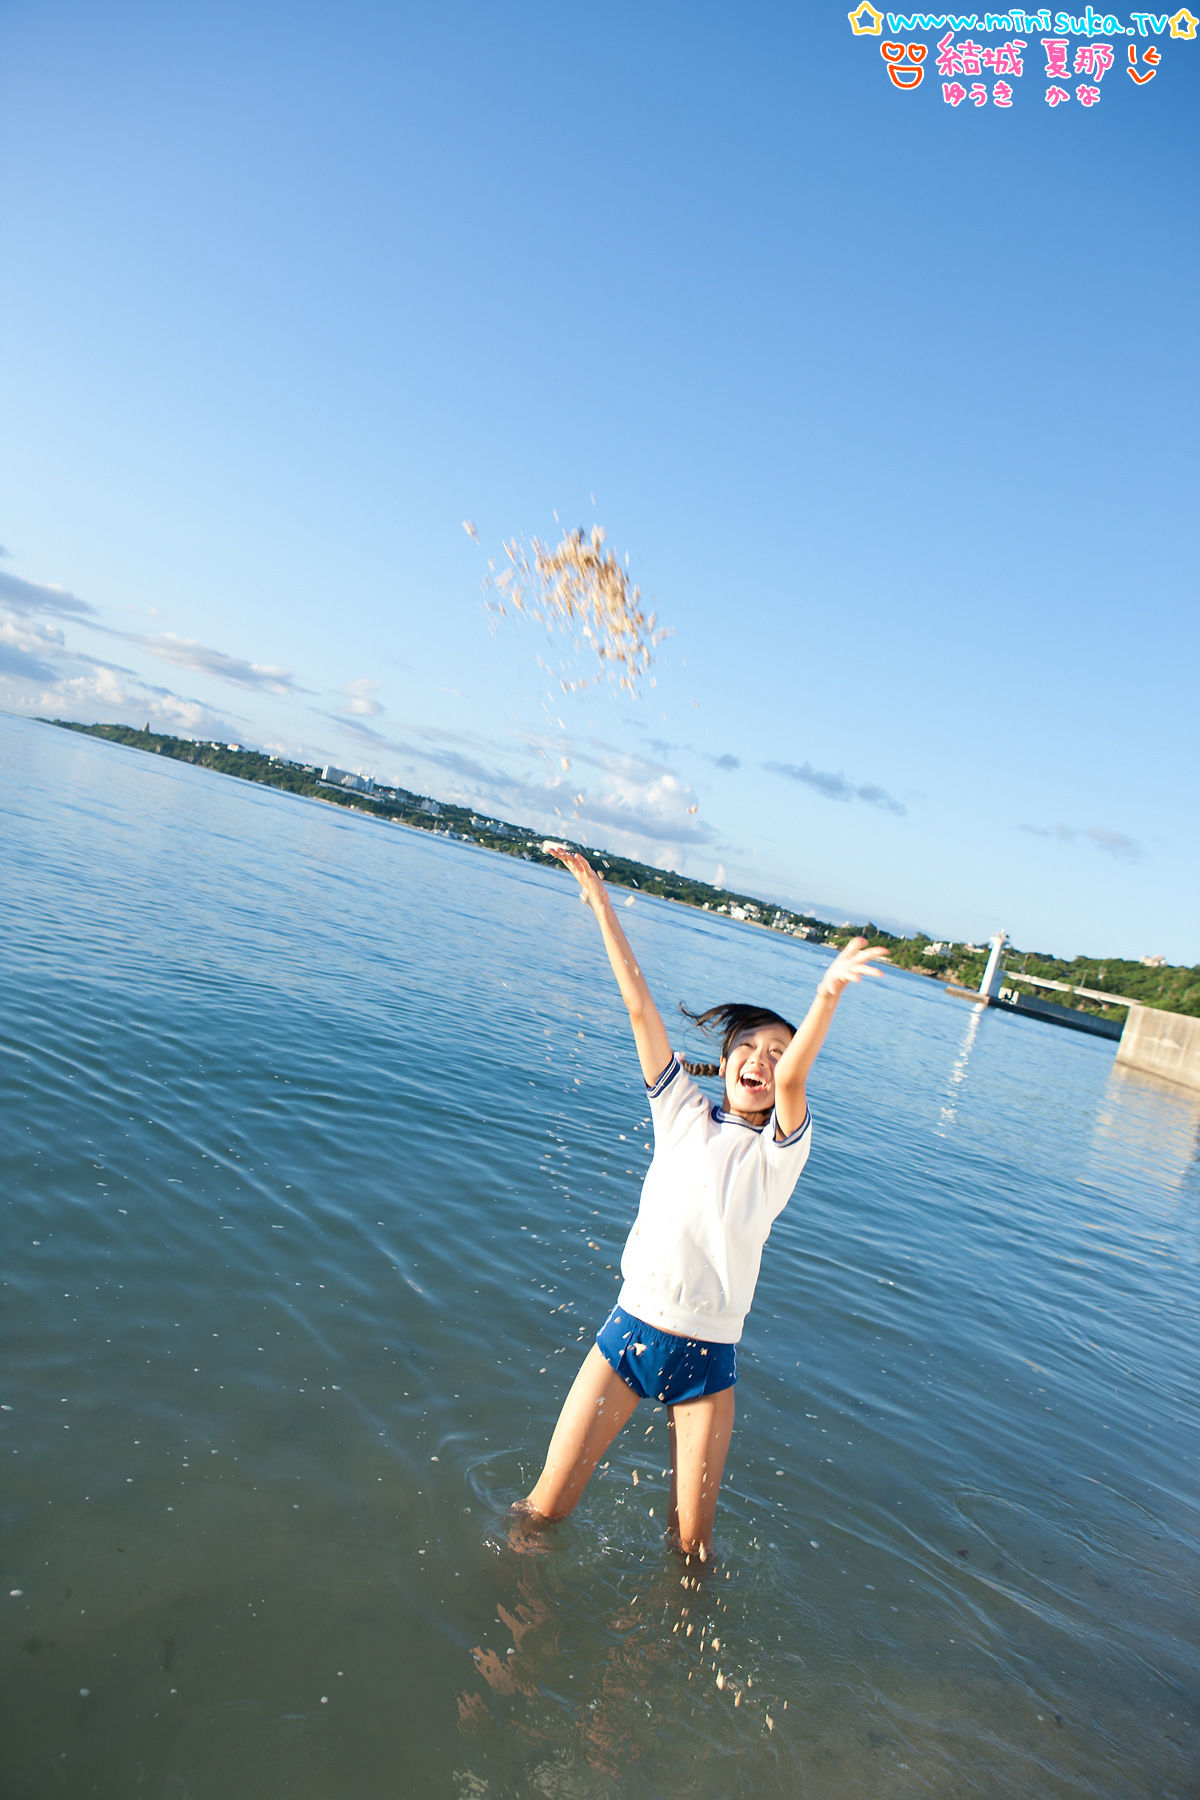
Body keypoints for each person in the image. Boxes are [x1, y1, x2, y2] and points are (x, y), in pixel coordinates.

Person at [515, 847, 887, 1559]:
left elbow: (802, 1072)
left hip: (709, 1361)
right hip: (627, 1335)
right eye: (751, 1046)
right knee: (542, 1511)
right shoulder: (681, 1112)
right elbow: (637, 1004)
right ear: (728, 1062)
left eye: (778, 1053)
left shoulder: (780, 1152)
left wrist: (828, 994)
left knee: (693, 1549)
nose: (763, 1059)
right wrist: (600, 907)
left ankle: (673, 1648)